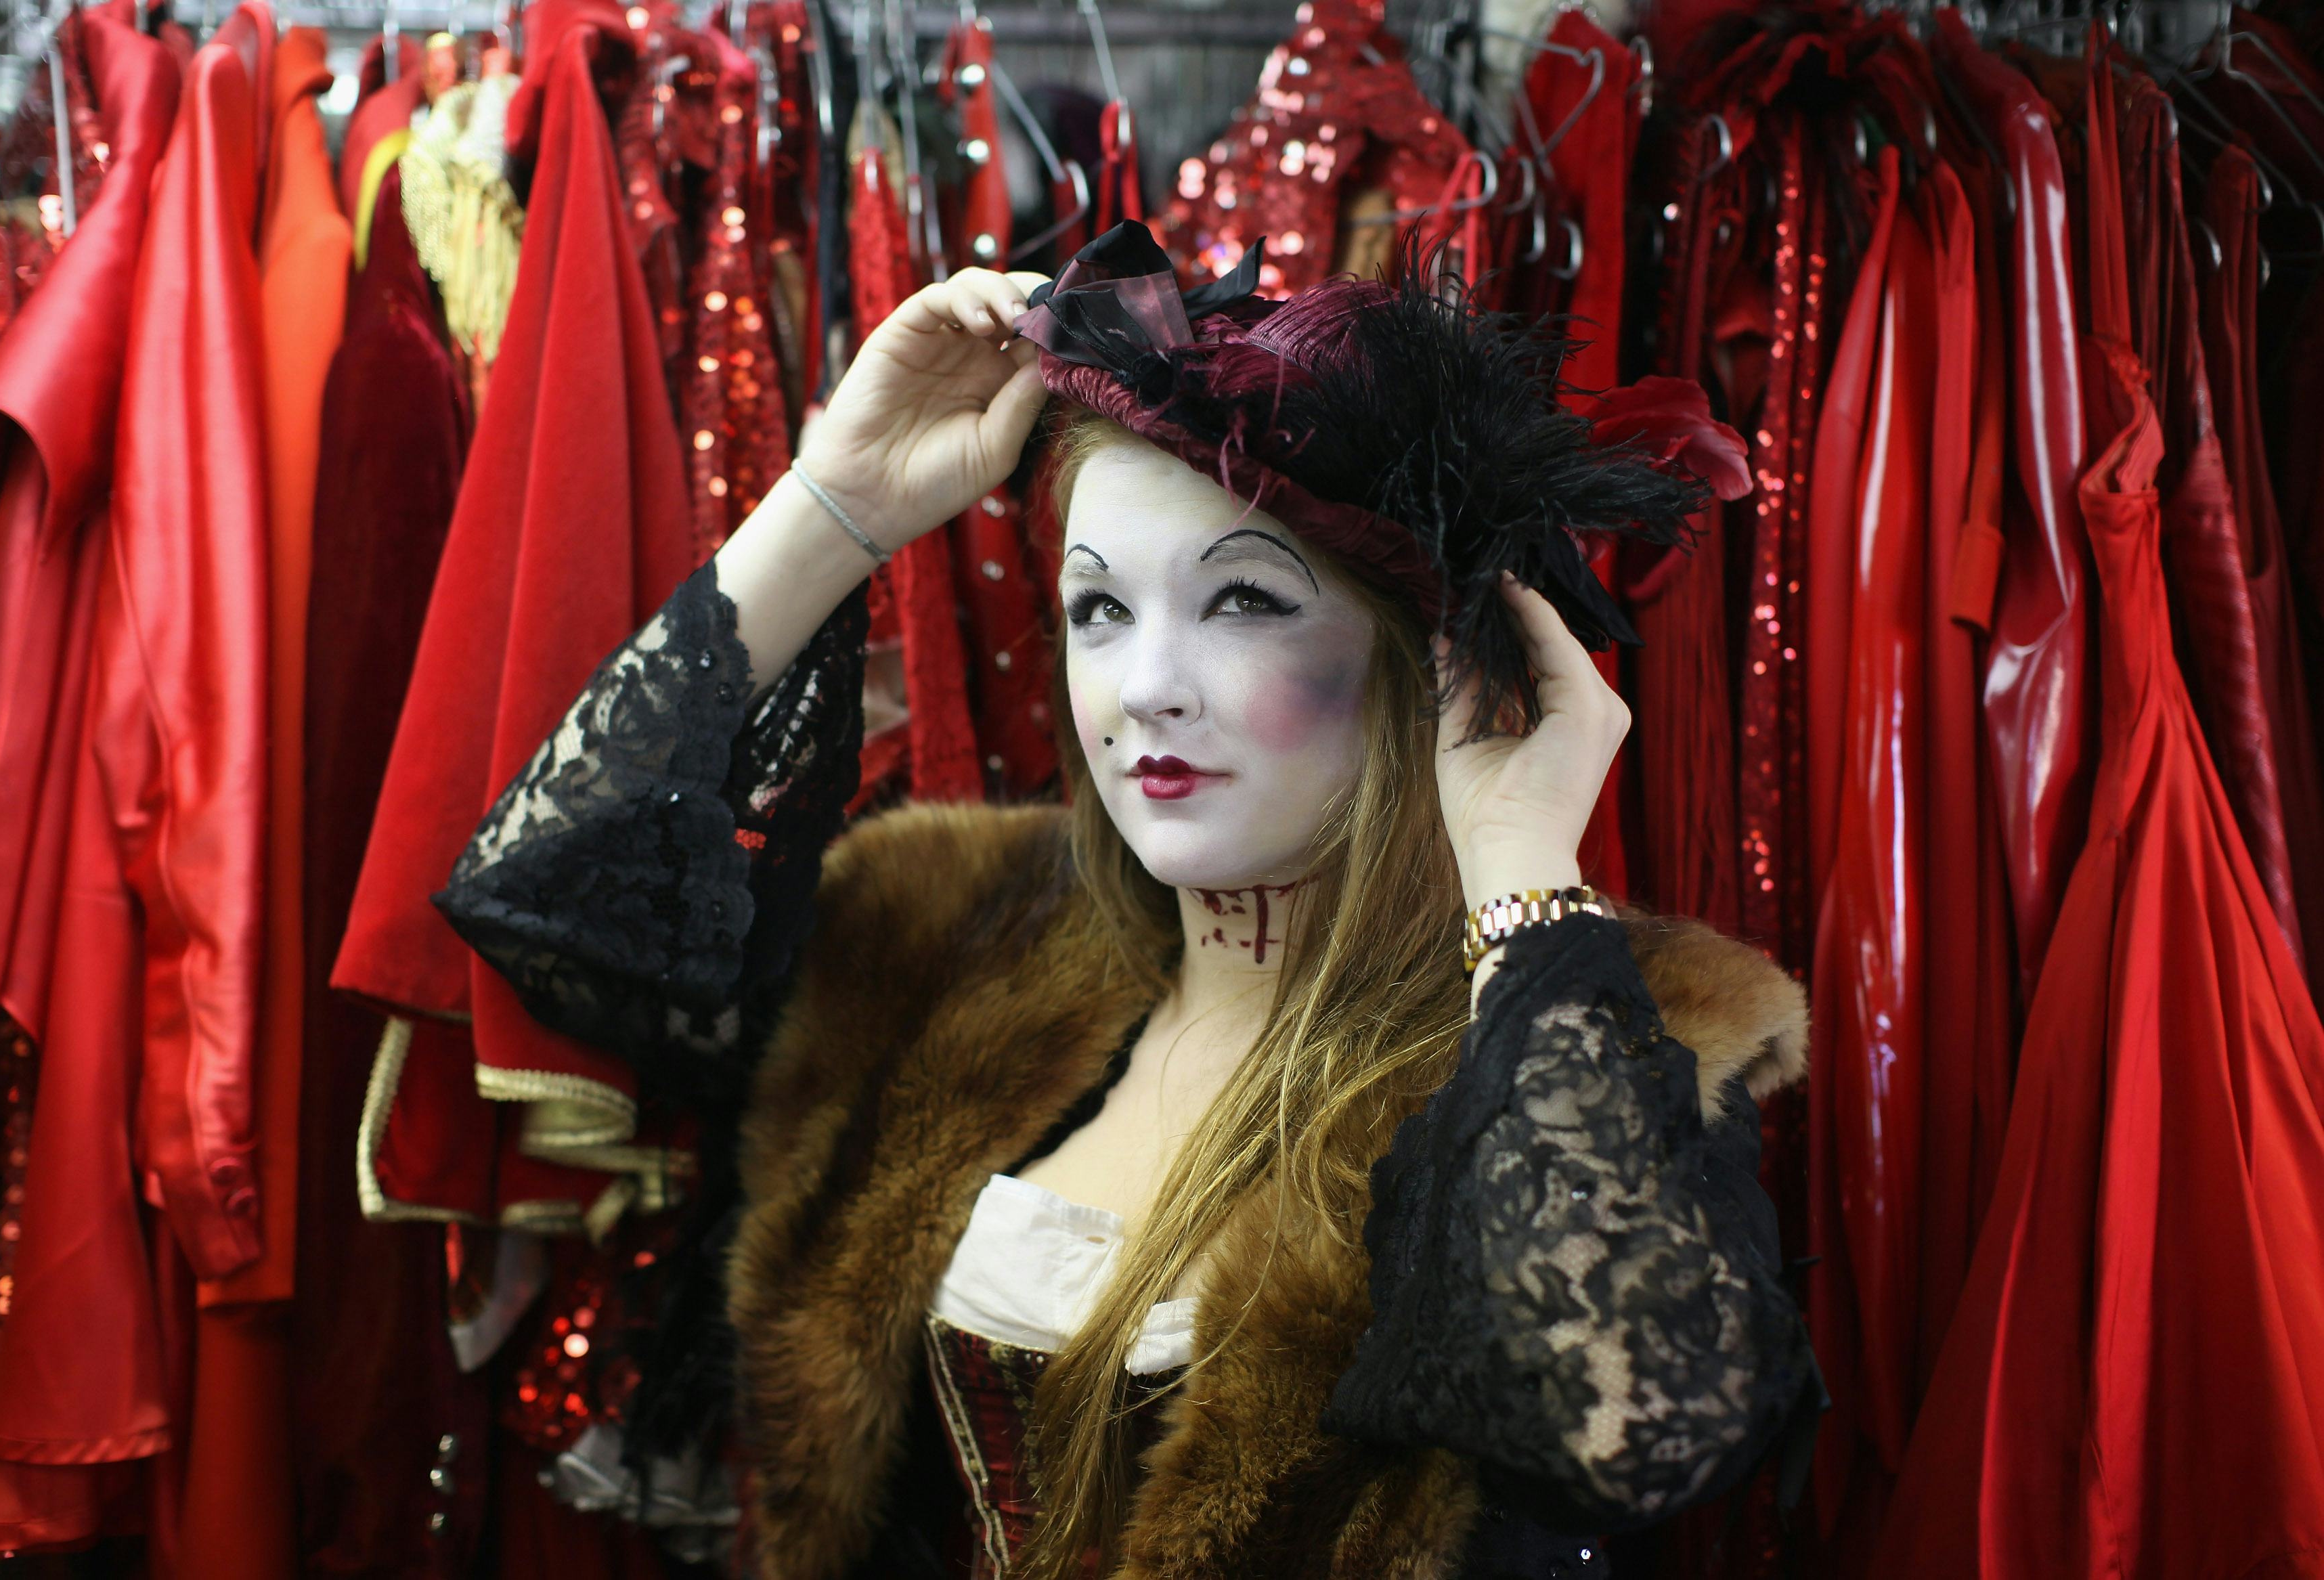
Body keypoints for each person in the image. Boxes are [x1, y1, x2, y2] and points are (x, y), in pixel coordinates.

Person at [437, 224, 1816, 1579]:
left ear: (1430, 657)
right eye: (1099, 609)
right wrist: (835, 506)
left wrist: (1516, 858)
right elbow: (549, 904)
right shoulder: (943, 923)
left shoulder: (1601, 1055)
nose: (1144, 687)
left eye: (1243, 601)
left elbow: (1630, 1429)